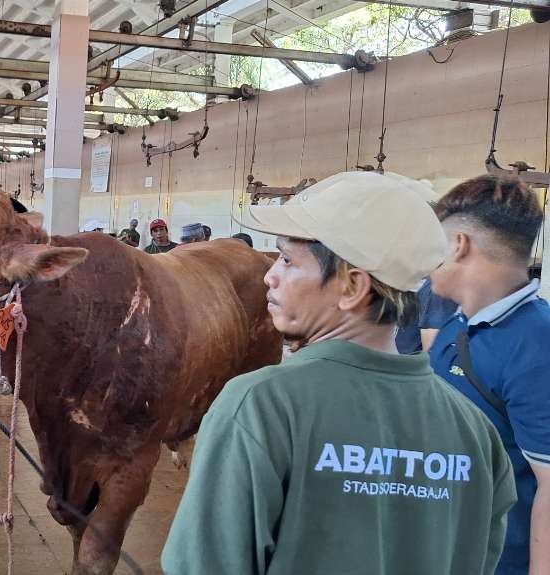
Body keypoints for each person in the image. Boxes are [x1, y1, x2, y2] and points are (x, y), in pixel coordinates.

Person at [162, 172, 516, 575]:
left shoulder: (259, 407)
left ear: (351, 287)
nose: (269, 275)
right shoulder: (475, 433)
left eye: (288, 260)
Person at [427, 175, 550, 575]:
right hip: (446, 548)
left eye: (432, 243)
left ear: (458, 246)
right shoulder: (458, 326)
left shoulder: (536, 343)